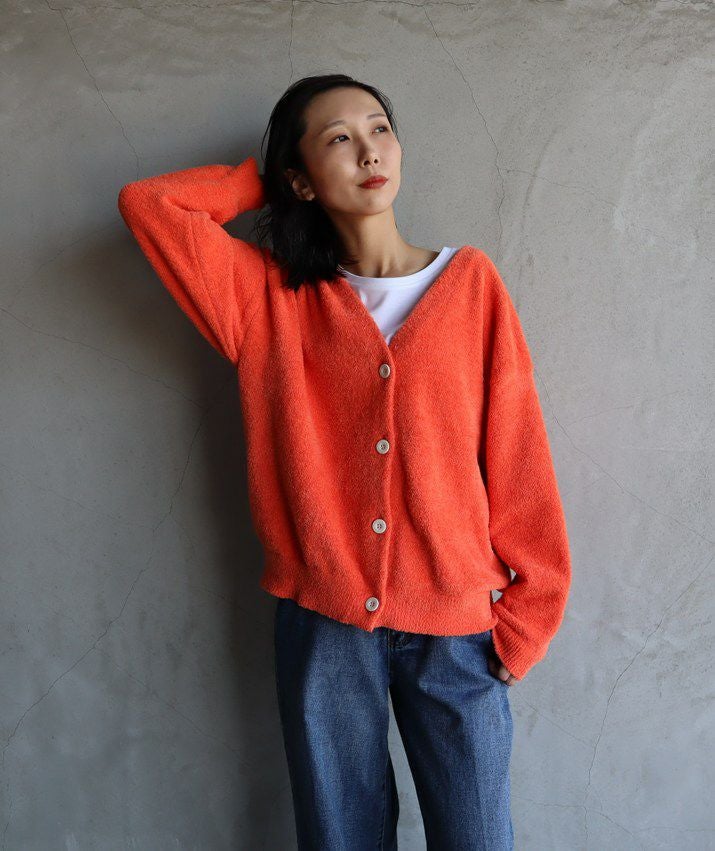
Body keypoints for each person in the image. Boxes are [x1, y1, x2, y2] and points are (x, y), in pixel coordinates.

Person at [118, 73, 572, 851]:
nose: (369, 151)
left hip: (459, 626)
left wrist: (528, 615)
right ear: (299, 178)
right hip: (323, 627)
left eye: (378, 128)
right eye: (338, 139)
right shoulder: (267, 298)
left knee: (477, 838)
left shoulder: (469, 284)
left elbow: (516, 449)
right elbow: (150, 205)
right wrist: (261, 183)